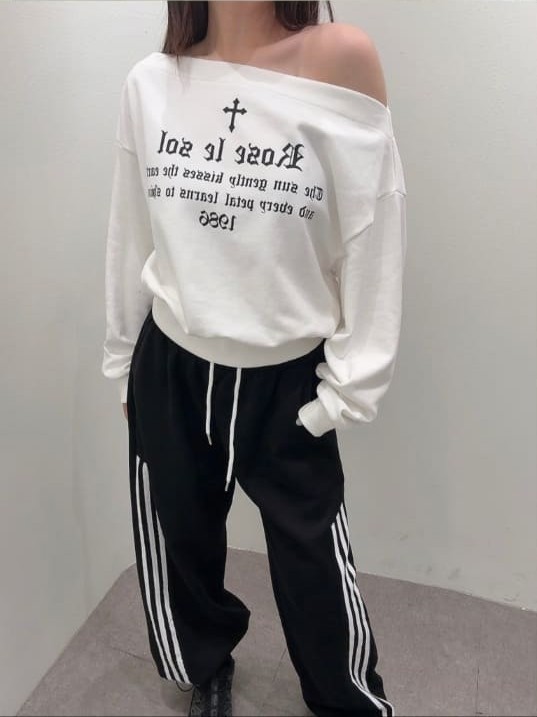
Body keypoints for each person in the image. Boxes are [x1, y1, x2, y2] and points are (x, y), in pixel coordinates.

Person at [101, 1, 406, 715]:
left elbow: (374, 227)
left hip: (286, 378)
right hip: (171, 363)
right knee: (179, 540)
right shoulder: (152, 81)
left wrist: (347, 390)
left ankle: (348, 698)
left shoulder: (342, 59)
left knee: (313, 560)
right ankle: (204, 666)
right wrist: (121, 362)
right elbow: (131, 228)